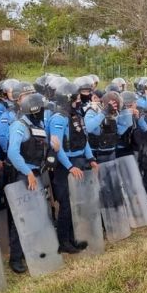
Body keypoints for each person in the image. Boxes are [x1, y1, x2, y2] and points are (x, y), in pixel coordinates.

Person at [48, 82, 97, 254]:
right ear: (68, 99)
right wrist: (69, 167)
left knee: (77, 203)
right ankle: (64, 242)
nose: (79, 100)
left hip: (79, 161)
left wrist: (91, 158)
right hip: (65, 166)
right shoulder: (58, 118)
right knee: (66, 205)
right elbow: (58, 147)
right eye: (76, 98)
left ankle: (73, 238)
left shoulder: (77, 114)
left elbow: (84, 139)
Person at [6, 93, 51, 270]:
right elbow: (13, 153)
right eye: (42, 109)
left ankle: (33, 250)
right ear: (35, 110)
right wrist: (28, 173)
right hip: (24, 175)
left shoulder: (37, 125)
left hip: (37, 172)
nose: (44, 112)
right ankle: (15, 258)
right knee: (22, 217)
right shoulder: (19, 125)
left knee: (37, 214)